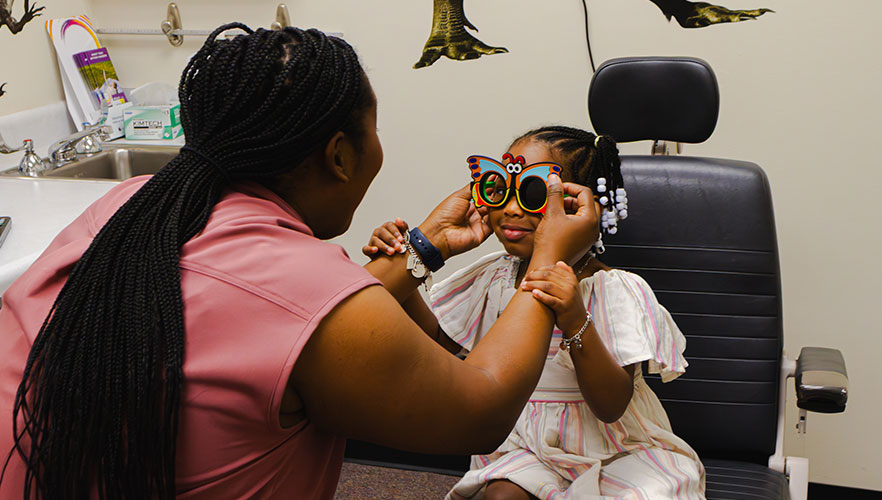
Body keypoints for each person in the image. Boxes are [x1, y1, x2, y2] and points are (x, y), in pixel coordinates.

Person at [0, 25, 600, 499]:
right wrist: (551, 254)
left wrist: (426, 246)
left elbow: (301, 313)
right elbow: (483, 407)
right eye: (374, 130)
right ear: (340, 156)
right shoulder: (310, 291)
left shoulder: (129, 205)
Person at [364, 126, 707, 500]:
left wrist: (574, 318)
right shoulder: (494, 276)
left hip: (614, 449)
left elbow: (611, 406)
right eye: (500, 188)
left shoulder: (614, 289)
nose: (511, 209)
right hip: (523, 446)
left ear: (582, 208)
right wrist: (403, 266)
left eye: (533, 194)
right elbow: (440, 344)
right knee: (500, 496)